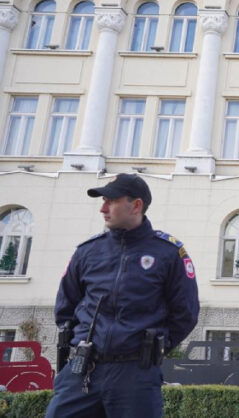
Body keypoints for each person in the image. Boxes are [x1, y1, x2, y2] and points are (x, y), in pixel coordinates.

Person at [46, 174, 200, 418]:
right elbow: (65, 307)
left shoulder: (168, 253)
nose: (103, 208)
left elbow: (185, 313)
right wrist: (82, 341)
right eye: (103, 201)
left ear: (136, 205)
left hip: (136, 373)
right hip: (82, 369)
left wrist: (153, 348)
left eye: (111, 201)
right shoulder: (88, 252)